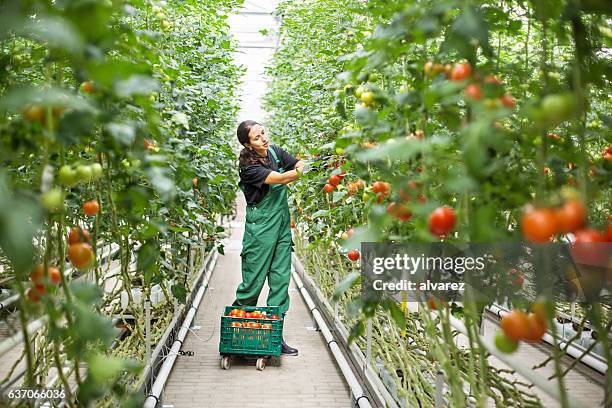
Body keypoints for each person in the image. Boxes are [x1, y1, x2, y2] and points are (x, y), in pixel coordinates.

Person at [232, 120, 305, 356]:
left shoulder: (274, 152)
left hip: (282, 226)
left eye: (263, 133)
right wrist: (303, 170)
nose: (263, 138)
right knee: (252, 284)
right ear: (247, 144)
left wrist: (303, 164)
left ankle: (275, 337)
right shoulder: (248, 168)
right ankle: (238, 335)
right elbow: (282, 178)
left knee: (280, 281)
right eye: (256, 137)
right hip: (261, 230)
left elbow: (296, 162)